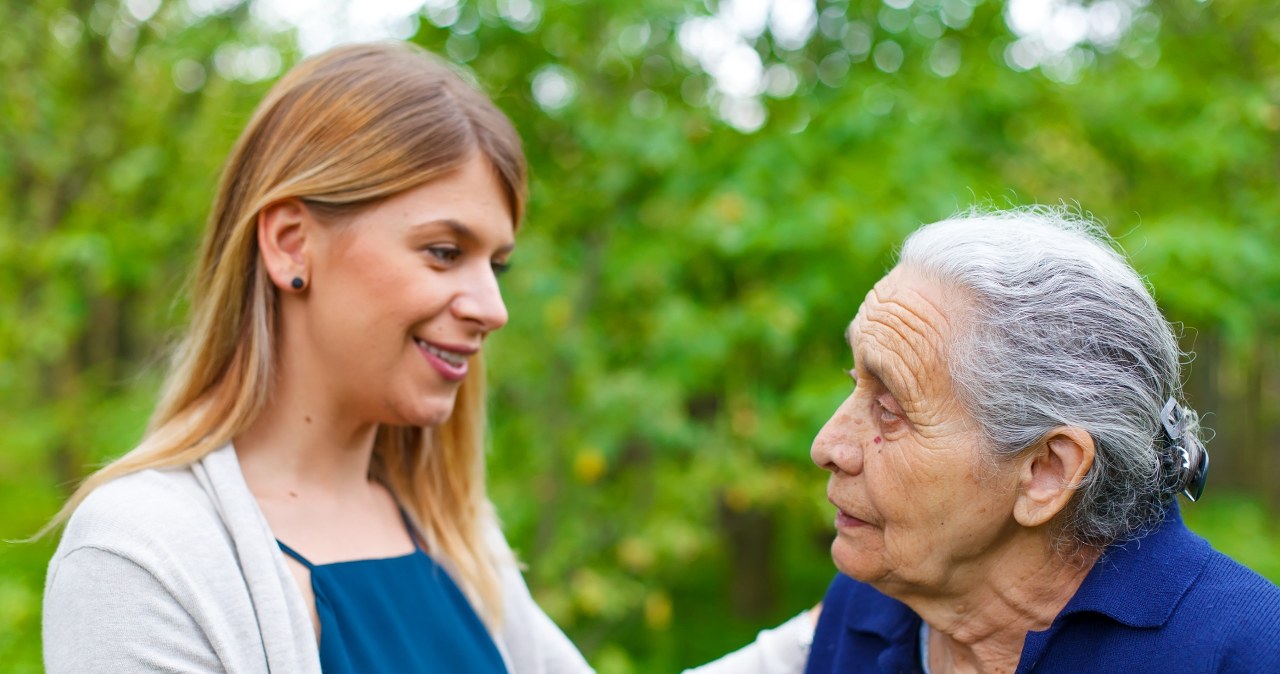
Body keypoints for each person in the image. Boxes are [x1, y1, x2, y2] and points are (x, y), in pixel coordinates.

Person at [42, 42, 813, 673]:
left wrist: (835, 629)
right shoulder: (143, 552)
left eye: (496, 265)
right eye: (445, 252)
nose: (492, 307)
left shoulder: (452, 535)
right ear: (289, 244)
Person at [803, 207, 1280, 673]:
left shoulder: (1244, 653)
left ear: (1046, 473)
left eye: (889, 411)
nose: (826, 446)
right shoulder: (870, 600)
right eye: (854, 383)